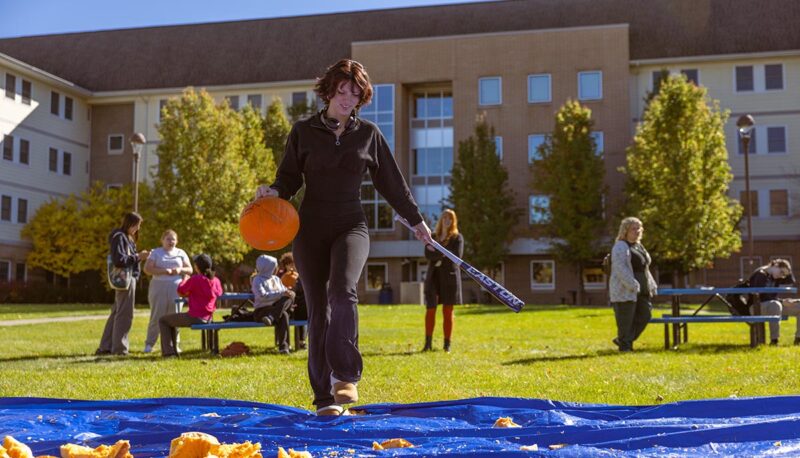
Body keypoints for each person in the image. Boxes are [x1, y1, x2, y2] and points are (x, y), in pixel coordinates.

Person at [256, 58, 433, 416]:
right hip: (310, 228)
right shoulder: (304, 132)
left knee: (343, 290)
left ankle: (345, 377)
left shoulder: (368, 134)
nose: (348, 99)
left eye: (356, 94)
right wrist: (272, 192)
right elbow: (288, 179)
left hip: (351, 225)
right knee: (318, 308)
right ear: (329, 91)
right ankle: (323, 397)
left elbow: (393, 185)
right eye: (342, 91)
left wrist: (416, 220)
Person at [96, 212, 150, 356]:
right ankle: (119, 349)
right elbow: (119, 260)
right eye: (137, 225)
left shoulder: (125, 237)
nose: (137, 229)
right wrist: (139, 256)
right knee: (124, 314)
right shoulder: (120, 237)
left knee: (116, 313)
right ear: (130, 224)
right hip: (125, 280)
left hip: (126, 279)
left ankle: (105, 347)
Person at [159, 254, 222, 357]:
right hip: (208, 318)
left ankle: (169, 353)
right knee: (170, 321)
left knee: (163, 321)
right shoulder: (215, 280)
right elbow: (218, 293)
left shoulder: (195, 279)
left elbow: (180, 291)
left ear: (197, 267)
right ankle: (172, 351)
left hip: (195, 317)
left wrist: (184, 279)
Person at [609, 217, 657, 352]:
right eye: (634, 229)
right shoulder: (620, 246)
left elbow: (645, 268)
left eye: (639, 228)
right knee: (626, 320)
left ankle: (623, 340)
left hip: (642, 290)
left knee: (645, 315)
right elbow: (620, 268)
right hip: (625, 289)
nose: (637, 231)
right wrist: (632, 284)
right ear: (625, 231)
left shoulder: (639, 246)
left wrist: (651, 284)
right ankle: (625, 347)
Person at [143, 229, 192, 353]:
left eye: (173, 239)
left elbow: (190, 270)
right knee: (157, 315)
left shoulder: (181, 253)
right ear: (162, 240)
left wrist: (180, 270)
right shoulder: (156, 252)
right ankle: (149, 344)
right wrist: (165, 271)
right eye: (168, 239)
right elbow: (147, 269)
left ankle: (175, 344)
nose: (171, 242)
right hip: (158, 286)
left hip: (176, 287)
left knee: (175, 315)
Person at [422, 209, 463, 353]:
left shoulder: (457, 238)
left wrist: (437, 252)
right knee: (431, 309)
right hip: (433, 277)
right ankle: (427, 344)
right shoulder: (432, 237)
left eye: (450, 218)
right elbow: (428, 255)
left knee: (448, 310)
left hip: (449, 277)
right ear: (441, 220)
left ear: (453, 221)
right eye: (445, 217)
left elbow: (455, 256)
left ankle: (447, 345)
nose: (447, 220)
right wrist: (443, 253)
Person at [251, 254, 295, 355]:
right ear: (268, 267)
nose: (277, 268)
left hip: (275, 309)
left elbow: (284, 292)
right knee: (284, 315)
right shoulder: (257, 280)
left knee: (291, 295)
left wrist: (288, 292)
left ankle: (271, 318)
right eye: (274, 266)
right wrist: (281, 294)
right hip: (262, 311)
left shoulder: (276, 279)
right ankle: (284, 347)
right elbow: (262, 296)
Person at [747, 259, 794, 345]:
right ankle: (774, 340)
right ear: (775, 265)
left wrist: (788, 270)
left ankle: (798, 339)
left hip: (772, 306)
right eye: (781, 272)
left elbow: (791, 281)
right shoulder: (760, 274)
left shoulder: (776, 277)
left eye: (784, 275)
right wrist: (782, 301)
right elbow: (763, 297)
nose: (782, 276)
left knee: (798, 306)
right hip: (756, 307)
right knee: (775, 305)